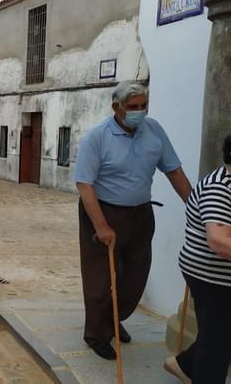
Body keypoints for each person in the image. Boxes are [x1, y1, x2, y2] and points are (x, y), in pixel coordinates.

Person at [75, 81, 192, 360]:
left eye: (143, 106)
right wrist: (101, 226)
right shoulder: (97, 137)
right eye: (133, 107)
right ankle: (97, 333)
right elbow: (84, 185)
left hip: (141, 214)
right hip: (102, 213)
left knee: (135, 277)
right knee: (100, 279)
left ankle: (114, 320)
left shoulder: (155, 131)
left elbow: (174, 172)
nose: (139, 111)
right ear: (117, 108)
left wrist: (198, 207)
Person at [164, 135, 231, 384]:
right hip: (211, 275)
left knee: (218, 334)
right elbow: (219, 241)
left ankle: (185, 365)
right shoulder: (220, 187)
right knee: (217, 346)